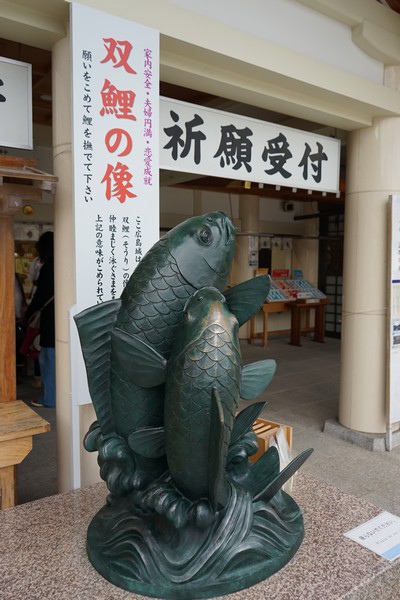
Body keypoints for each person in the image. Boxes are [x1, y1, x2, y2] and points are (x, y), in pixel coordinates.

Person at [24, 231, 55, 408]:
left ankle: (49, 399)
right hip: (64, 319)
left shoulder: (49, 267)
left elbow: (40, 297)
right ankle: (55, 396)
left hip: (50, 320)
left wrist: (28, 315)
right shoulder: (67, 262)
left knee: (48, 359)